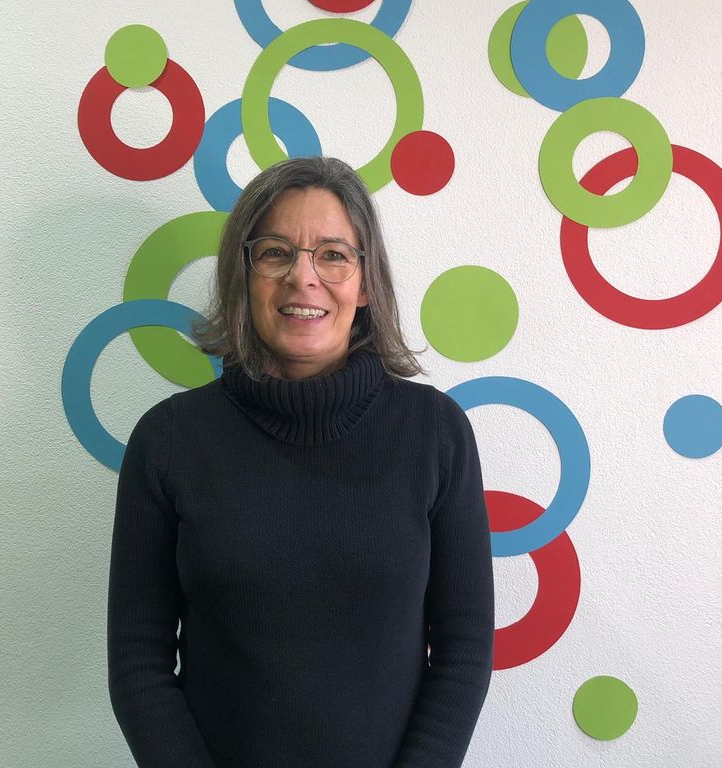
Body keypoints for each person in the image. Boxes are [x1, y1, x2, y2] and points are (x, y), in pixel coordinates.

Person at [107, 156, 494, 768]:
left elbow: (464, 650)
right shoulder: (169, 441)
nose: (303, 277)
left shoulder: (435, 433)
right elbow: (137, 662)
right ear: (243, 277)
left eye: (333, 254)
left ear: (366, 284)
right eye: (275, 253)